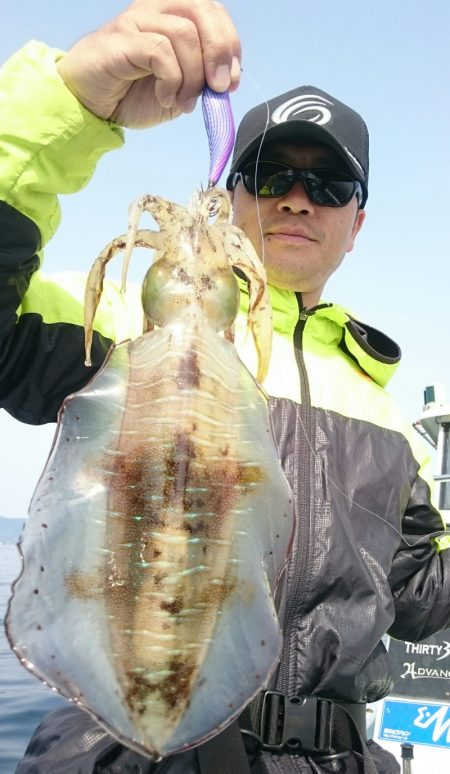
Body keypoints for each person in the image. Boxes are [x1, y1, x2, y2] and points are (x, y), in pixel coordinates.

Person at [1, 1, 450, 772]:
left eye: (330, 183)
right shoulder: (113, 325)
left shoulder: (385, 416)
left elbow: (422, 593)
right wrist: (68, 103)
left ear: (359, 222)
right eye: (271, 175)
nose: (298, 198)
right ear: (233, 192)